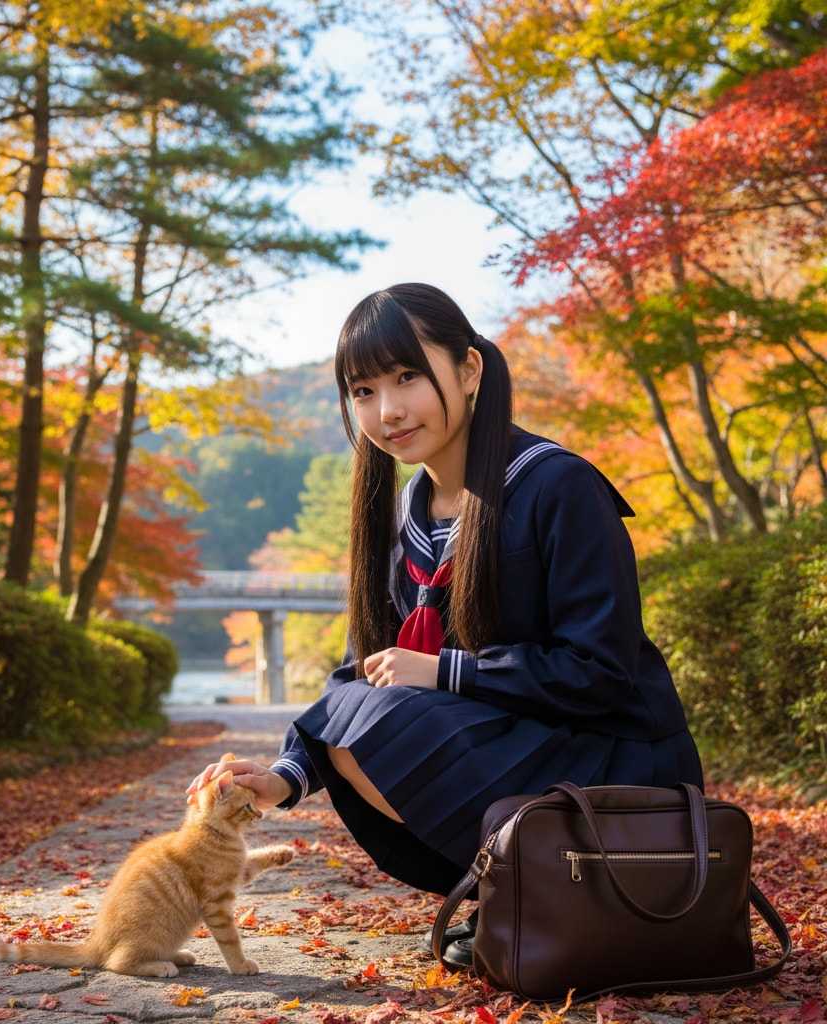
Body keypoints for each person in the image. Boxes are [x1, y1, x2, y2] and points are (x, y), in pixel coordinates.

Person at [187, 282, 704, 969]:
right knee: (359, 709)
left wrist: (446, 671)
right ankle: (522, 892)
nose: (388, 409)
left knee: (377, 714)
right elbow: (357, 676)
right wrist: (284, 776)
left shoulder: (558, 487)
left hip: (616, 757)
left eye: (407, 377)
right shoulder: (406, 517)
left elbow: (603, 673)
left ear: (468, 370)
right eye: (363, 390)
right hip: (519, 744)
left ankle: (541, 891)